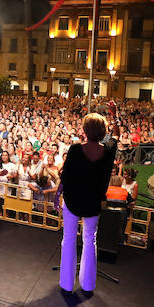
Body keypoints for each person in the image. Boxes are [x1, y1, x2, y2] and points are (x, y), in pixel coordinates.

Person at [56, 113, 117, 294]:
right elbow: (117, 136)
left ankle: (66, 283)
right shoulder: (108, 150)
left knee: (68, 240)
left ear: (84, 130)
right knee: (90, 241)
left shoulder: (75, 150)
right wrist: (114, 116)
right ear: (103, 131)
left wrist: (57, 194)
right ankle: (88, 284)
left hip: (72, 200)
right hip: (92, 202)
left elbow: (65, 176)